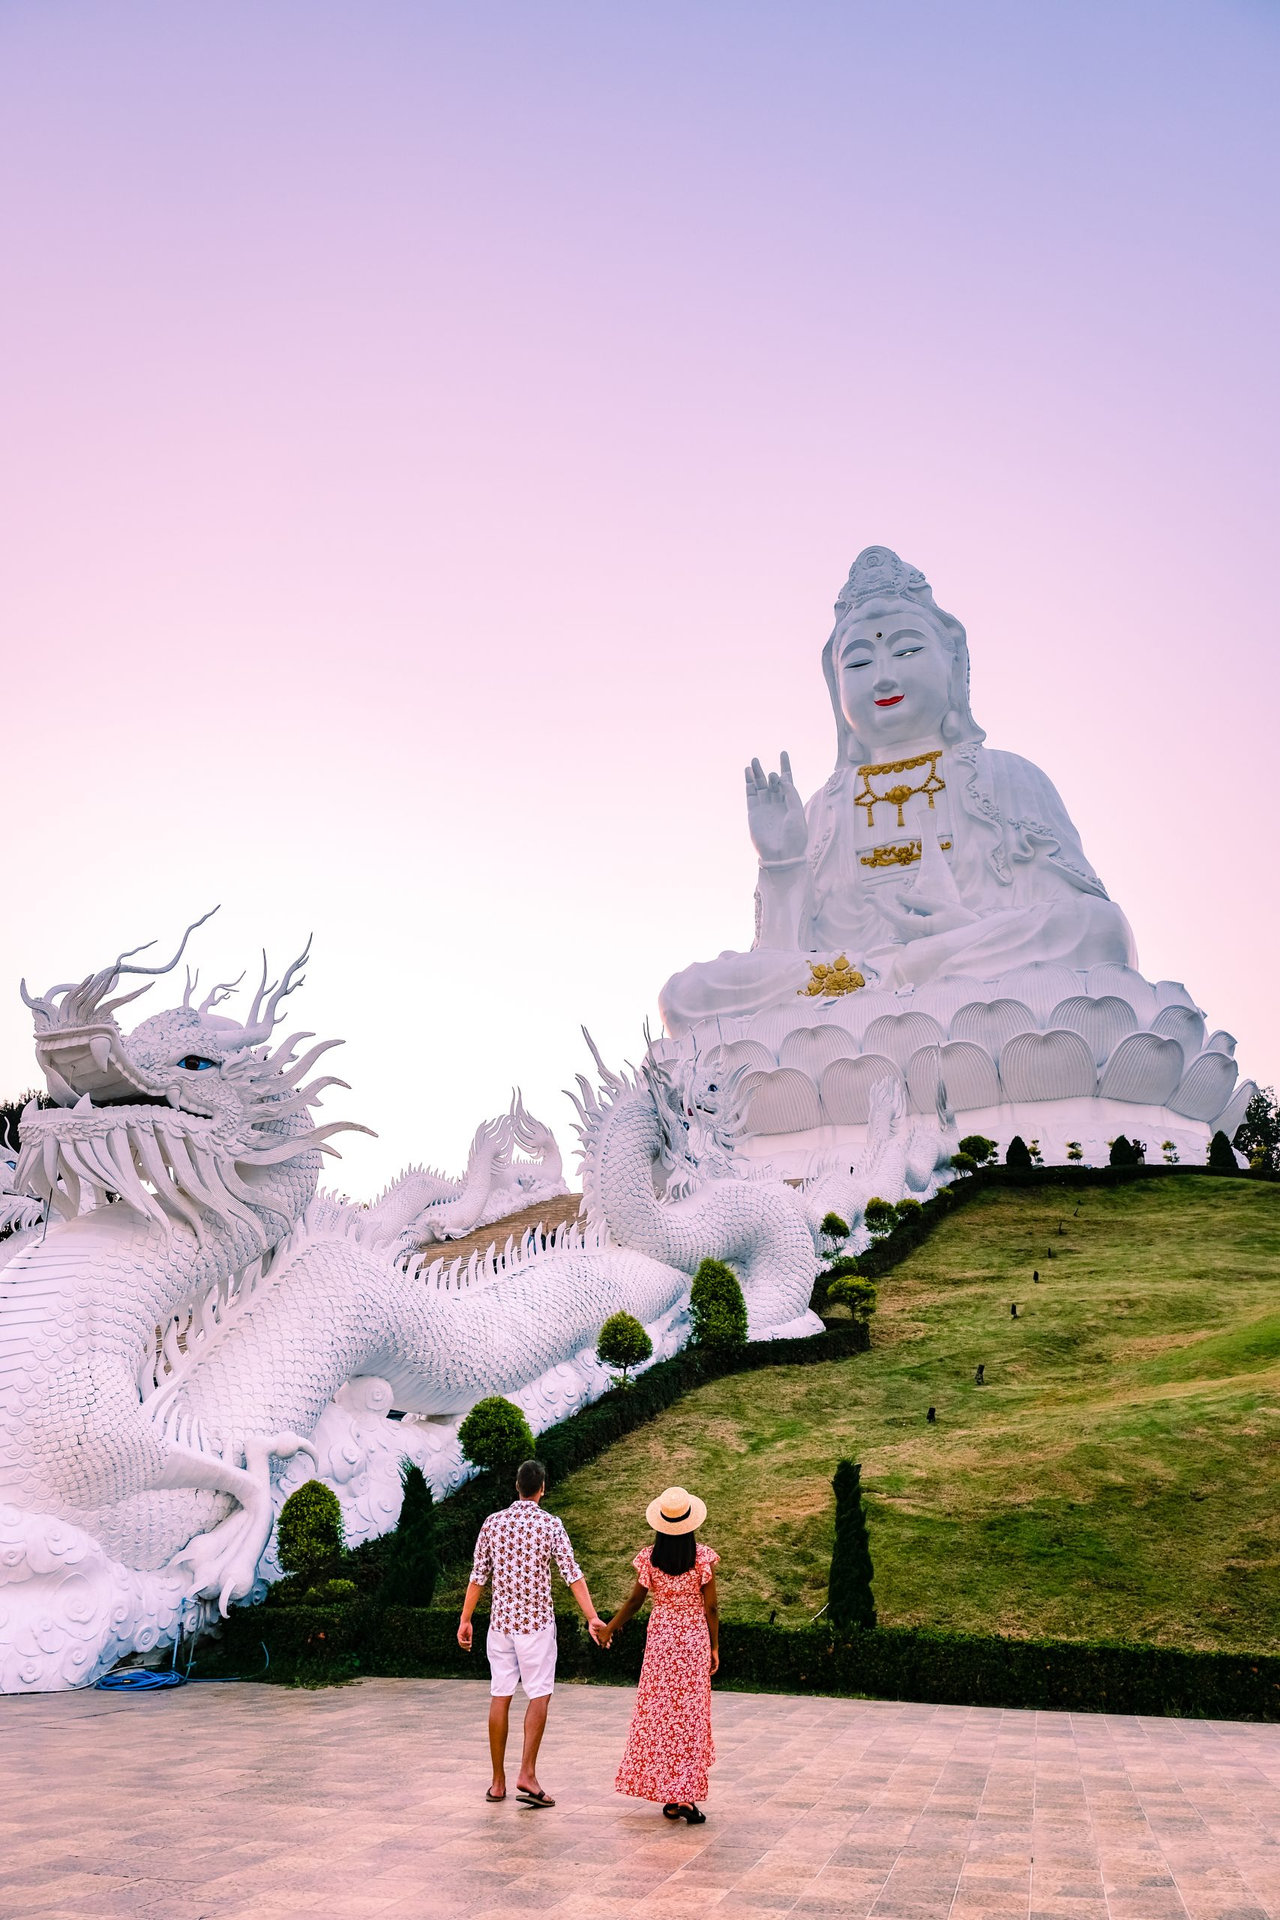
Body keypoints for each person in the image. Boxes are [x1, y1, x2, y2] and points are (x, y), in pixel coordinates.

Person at [659, 545, 1136, 1032]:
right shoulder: (823, 808)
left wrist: (959, 933)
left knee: (1101, 930)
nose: (884, 676)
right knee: (686, 996)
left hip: (970, 977)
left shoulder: (1007, 777)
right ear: (834, 687)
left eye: (907, 651)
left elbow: (1082, 924)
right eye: (860, 663)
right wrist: (781, 863)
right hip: (845, 985)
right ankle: (886, 979)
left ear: (952, 665)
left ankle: (895, 975)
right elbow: (785, 957)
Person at [457, 1457, 605, 1807]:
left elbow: (478, 1576)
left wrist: (465, 1619)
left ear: (516, 1486)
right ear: (542, 1487)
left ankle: (497, 1782)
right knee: (539, 1694)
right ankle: (527, 1773)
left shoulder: (492, 1524)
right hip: (536, 1625)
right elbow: (572, 1574)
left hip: (501, 1625)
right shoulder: (550, 1525)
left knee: (500, 1694)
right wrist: (592, 1617)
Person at [598, 1485, 719, 1825]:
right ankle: (684, 1796)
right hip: (693, 1639)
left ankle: (670, 1793)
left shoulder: (650, 1558)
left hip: (661, 1643)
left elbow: (636, 1602)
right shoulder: (703, 1558)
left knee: (661, 1716)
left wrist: (610, 1627)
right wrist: (714, 1646)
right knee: (689, 1718)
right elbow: (710, 1606)